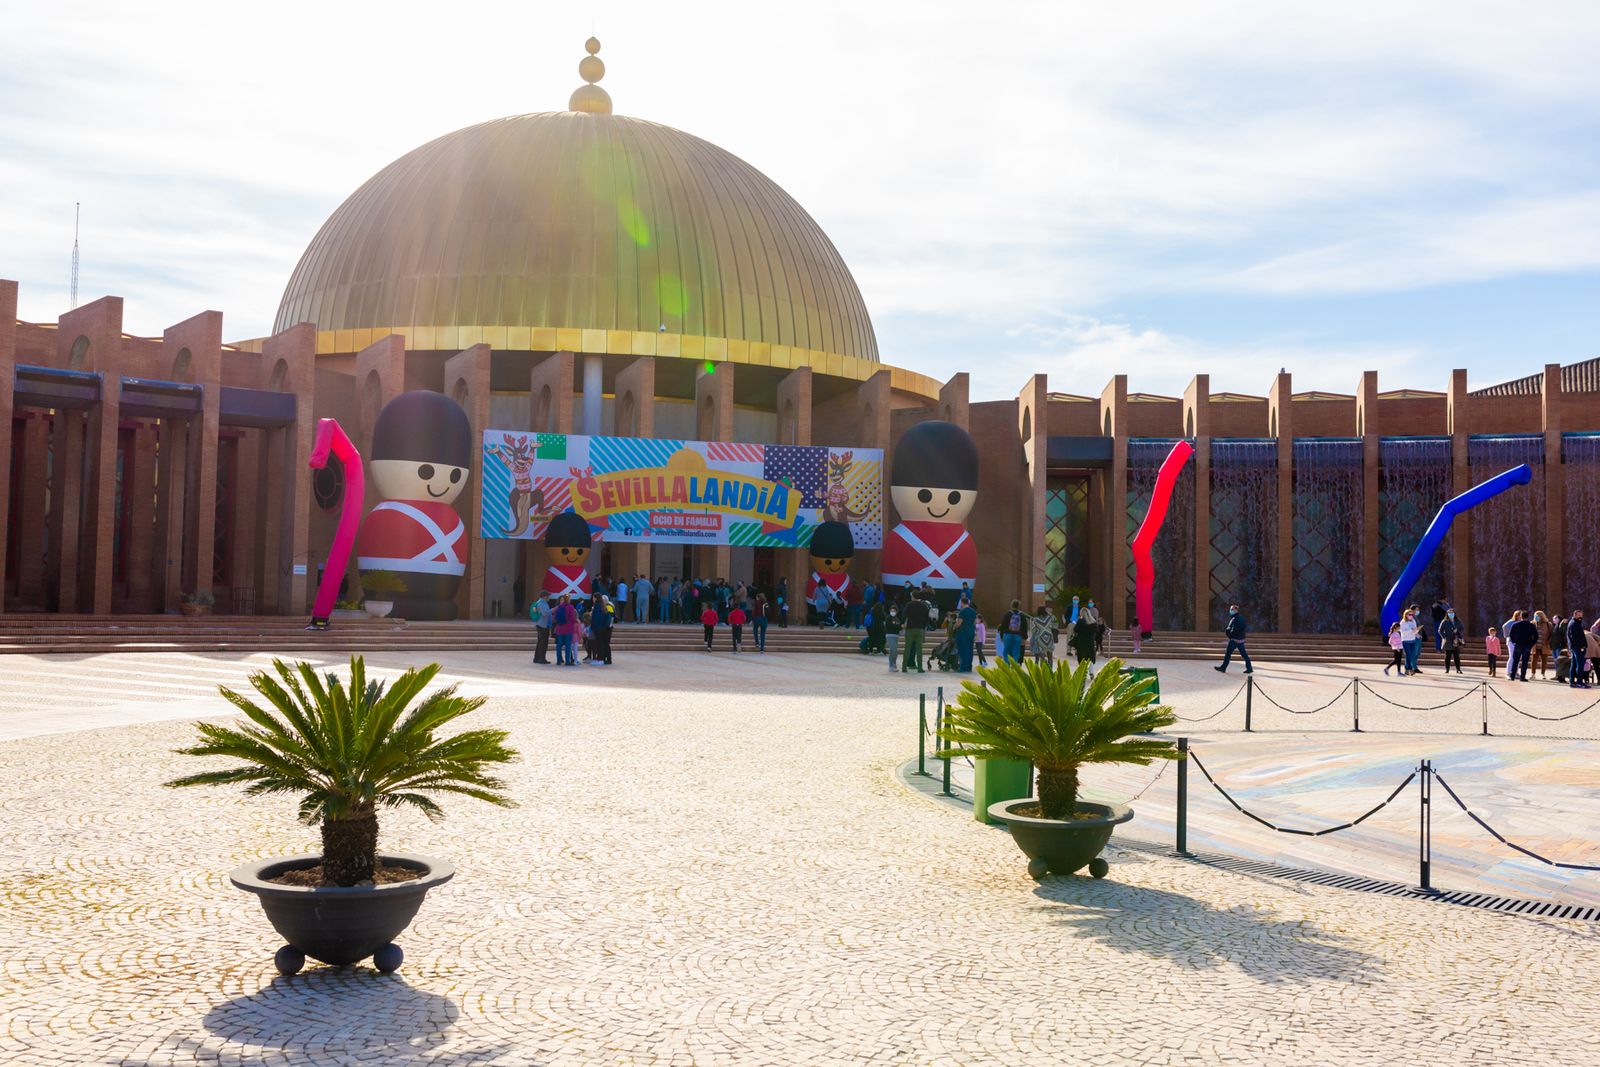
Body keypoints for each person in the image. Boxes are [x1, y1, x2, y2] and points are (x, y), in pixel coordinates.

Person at [1215, 604, 1253, 674]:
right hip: (1240, 640)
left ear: (1236, 610)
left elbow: (1234, 629)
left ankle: (1223, 668)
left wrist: (1230, 635)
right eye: (1230, 609)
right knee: (1244, 654)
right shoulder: (1242, 618)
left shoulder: (1235, 619)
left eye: (1232, 609)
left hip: (1234, 639)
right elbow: (1243, 627)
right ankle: (1249, 668)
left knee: (1228, 654)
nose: (1230, 611)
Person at [902, 592, 930, 673]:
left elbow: (904, 615)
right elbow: (926, 619)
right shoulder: (924, 606)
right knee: (919, 650)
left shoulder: (909, 604)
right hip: (920, 629)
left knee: (907, 649)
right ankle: (920, 668)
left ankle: (904, 668)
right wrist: (923, 627)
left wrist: (903, 623)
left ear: (913, 597)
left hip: (910, 629)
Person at [1507, 610, 1538, 681]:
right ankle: (1522, 677)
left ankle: (1512, 676)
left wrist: (1514, 642)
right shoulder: (1531, 625)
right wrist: (1531, 644)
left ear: (1521, 616)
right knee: (1525, 662)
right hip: (1527, 645)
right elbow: (1536, 636)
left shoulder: (1515, 625)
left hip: (1518, 644)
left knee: (1515, 661)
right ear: (1528, 617)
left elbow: (1511, 635)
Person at [552, 594, 579, 666]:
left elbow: (555, 618)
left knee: (559, 645)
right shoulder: (570, 607)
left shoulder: (558, 607)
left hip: (559, 629)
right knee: (568, 645)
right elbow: (572, 618)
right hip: (568, 629)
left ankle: (558, 660)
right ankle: (567, 661)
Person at [590, 593, 614, 665]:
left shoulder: (597, 606)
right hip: (605, 628)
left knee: (599, 644)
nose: (592, 599)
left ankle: (600, 659)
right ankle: (607, 659)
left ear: (596, 598)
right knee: (604, 644)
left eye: (593, 598)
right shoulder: (603, 606)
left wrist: (593, 627)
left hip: (599, 628)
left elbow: (596, 618)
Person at [1438, 608, 1465, 674]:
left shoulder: (1458, 621)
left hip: (1455, 640)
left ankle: (1458, 669)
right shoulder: (1445, 621)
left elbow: (1462, 628)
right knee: (1448, 656)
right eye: (1449, 613)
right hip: (1448, 640)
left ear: (1454, 613)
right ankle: (1447, 669)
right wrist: (1444, 637)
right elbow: (1440, 630)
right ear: (1447, 614)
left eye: (1452, 613)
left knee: (1456, 656)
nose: (1451, 614)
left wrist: (1458, 632)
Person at [955, 597, 978, 672]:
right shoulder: (973, 611)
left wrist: (954, 627)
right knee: (970, 650)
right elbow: (975, 623)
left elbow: (959, 623)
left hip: (963, 632)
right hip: (971, 632)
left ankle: (963, 667)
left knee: (963, 650)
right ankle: (969, 667)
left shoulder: (962, 611)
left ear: (962, 602)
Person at [1568, 610, 1590, 688]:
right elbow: (1574, 637)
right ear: (1575, 615)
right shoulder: (1574, 624)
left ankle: (1572, 682)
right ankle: (1579, 682)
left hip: (1575, 647)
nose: (1581, 617)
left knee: (1574, 664)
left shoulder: (1574, 623)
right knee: (1580, 665)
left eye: (1581, 615)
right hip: (1578, 647)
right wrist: (1581, 646)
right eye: (1579, 615)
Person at [530, 592, 553, 665]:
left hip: (540, 624)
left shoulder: (539, 602)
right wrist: (552, 610)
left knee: (540, 642)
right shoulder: (542, 603)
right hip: (543, 625)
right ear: (545, 596)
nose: (549, 598)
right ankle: (541, 658)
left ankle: (537, 658)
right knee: (543, 642)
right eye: (548, 596)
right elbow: (544, 613)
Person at [1398, 608, 1421, 676]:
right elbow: (1402, 632)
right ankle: (1410, 669)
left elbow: (1415, 630)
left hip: (1412, 640)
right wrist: (1411, 630)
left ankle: (1406, 669)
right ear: (1406, 615)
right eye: (1409, 614)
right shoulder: (1403, 622)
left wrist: (1417, 630)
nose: (1411, 616)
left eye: (1412, 614)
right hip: (1405, 641)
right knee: (1408, 655)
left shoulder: (1413, 621)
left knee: (1411, 655)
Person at [884, 605, 902, 672]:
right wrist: (897, 627)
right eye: (891, 611)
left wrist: (901, 627)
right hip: (890, 635)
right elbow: (889, 626)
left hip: (896, 636)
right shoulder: (888, 618)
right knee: (893, 650)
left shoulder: (897, 619)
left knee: (895, 652)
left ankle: (894, 665)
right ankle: (891, 666)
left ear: (896, 612)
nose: (892, 612)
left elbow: (899, 627)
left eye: (894, 611)